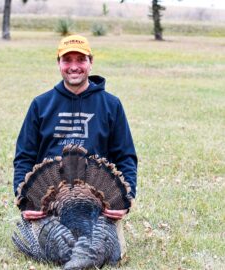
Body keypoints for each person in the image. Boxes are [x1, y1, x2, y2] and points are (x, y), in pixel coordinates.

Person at [13, 35, 138, 222]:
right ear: (58, 63)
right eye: (67, 60)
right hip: (49, 206)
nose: (74, 66)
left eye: (81, 59)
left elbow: (125, 156)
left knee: (103, 251)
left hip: (98, 207)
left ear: (91, 62)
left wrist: (125, 199)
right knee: (49, 251)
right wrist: (25, 200)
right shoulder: (41, 104)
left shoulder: (111, 105)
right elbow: (25, 156)